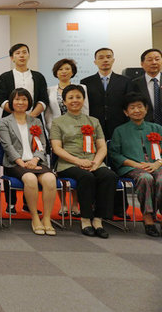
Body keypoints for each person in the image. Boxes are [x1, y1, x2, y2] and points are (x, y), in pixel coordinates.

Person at [50, 85, 116, 239]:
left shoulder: (94, 121)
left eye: (78, 97)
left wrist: (95, 162)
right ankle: (85, 219)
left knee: (109, 176)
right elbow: (57, 148)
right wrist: (78, 161)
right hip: (69, 163)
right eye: (70, 98)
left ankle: (98, 219)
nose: (75, 100)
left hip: (93, 162)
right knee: (86, 177)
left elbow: (101, 146)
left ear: (83, 100)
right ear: (64, 102)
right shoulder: (58, 122)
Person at [81, 47, 133, 218]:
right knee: (96, 168)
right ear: (95, 61)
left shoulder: (125, 81)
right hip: (93, 133)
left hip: (118, 131)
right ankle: (97, 205)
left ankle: (119, 207)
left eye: (108, 57)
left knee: (117, 167)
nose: (105, 60)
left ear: (113, 60)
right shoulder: (86, 82)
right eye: (101, 57)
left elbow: (129, 107)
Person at [0, 43, 48, 214]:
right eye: (17, 53)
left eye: (24, 52)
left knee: (33, 153)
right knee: (11, 156)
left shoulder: (38, 76)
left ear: (28, 55)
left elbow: (43, 99)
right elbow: (2, 99)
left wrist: (30, 115)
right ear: (12, 57)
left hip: (33, 118)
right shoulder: (5, 76)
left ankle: (28, 203)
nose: (21, 55)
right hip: (11, 120)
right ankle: (10, 202)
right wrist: (17, 113)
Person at [0, 88, 57, 236]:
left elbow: (43, 144)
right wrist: (21, 162)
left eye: (24, 99)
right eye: (17, 99)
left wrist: (36, 159)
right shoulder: (4, 122)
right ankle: (35, 217)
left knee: (50, 178)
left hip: (35, 161)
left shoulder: (36, 121)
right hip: (15, 164)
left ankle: (47, 218)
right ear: (11, 102)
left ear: (29, 102)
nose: (20, 102)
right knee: (30, 178)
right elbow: (7, 146)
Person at [109, 92, 162, 237]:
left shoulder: (156, 128)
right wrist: (136, 164)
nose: (137, 110)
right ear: (126, 112)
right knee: (146, 178)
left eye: (140, 106)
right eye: (132, 107)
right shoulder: (120, 131)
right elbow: (115, 154)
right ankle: (148, 218)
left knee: (161, 179)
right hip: (131, 167)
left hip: (156, 165)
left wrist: (157, 164)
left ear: (146, 109)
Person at [44, 58, 88, 217]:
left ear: (73, 71)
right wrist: (52, 131)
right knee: (58, 169)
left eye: (67, 69)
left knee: (78, 168)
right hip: (57, 135)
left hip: (77, 135)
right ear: (56, 72)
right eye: (60, 69)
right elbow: (48, 115)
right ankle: (63, 204)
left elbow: (86, 111)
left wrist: (85, 131)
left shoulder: (81, 88)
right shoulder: (50, 90)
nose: (64, 71)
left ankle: (75, 203)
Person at [132, 48, 162, 124]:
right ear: (142, 64)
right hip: (145, 126)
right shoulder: (134, 84)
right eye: (150, 60)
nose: (154, 62)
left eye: (157, 59)